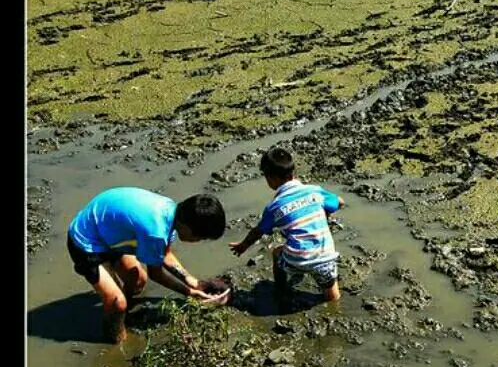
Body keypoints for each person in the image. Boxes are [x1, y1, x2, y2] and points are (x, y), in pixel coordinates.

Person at [66, 188, 228, 343]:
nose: (197, 242)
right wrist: (189, 292)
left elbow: (164, 254)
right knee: (117, 302)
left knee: (137, 281)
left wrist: (192, 281)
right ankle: (116, 339)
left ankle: (123, 312)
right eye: (200, 237)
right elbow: (156, 274)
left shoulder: (172, 211)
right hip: (84, 242)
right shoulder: (155, 231)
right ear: (187, 227)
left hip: (107, 232)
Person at [229, 147, 345, 303]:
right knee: (333, 299)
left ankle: (281, 289)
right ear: (293, 172)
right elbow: (340, 202)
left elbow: (258, 231)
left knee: (277, 252)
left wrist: (243, 246)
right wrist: (326, 213)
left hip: (296, 258)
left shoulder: (274, 207)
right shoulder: (314, 191)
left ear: (270, 178)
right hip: (325, 257)